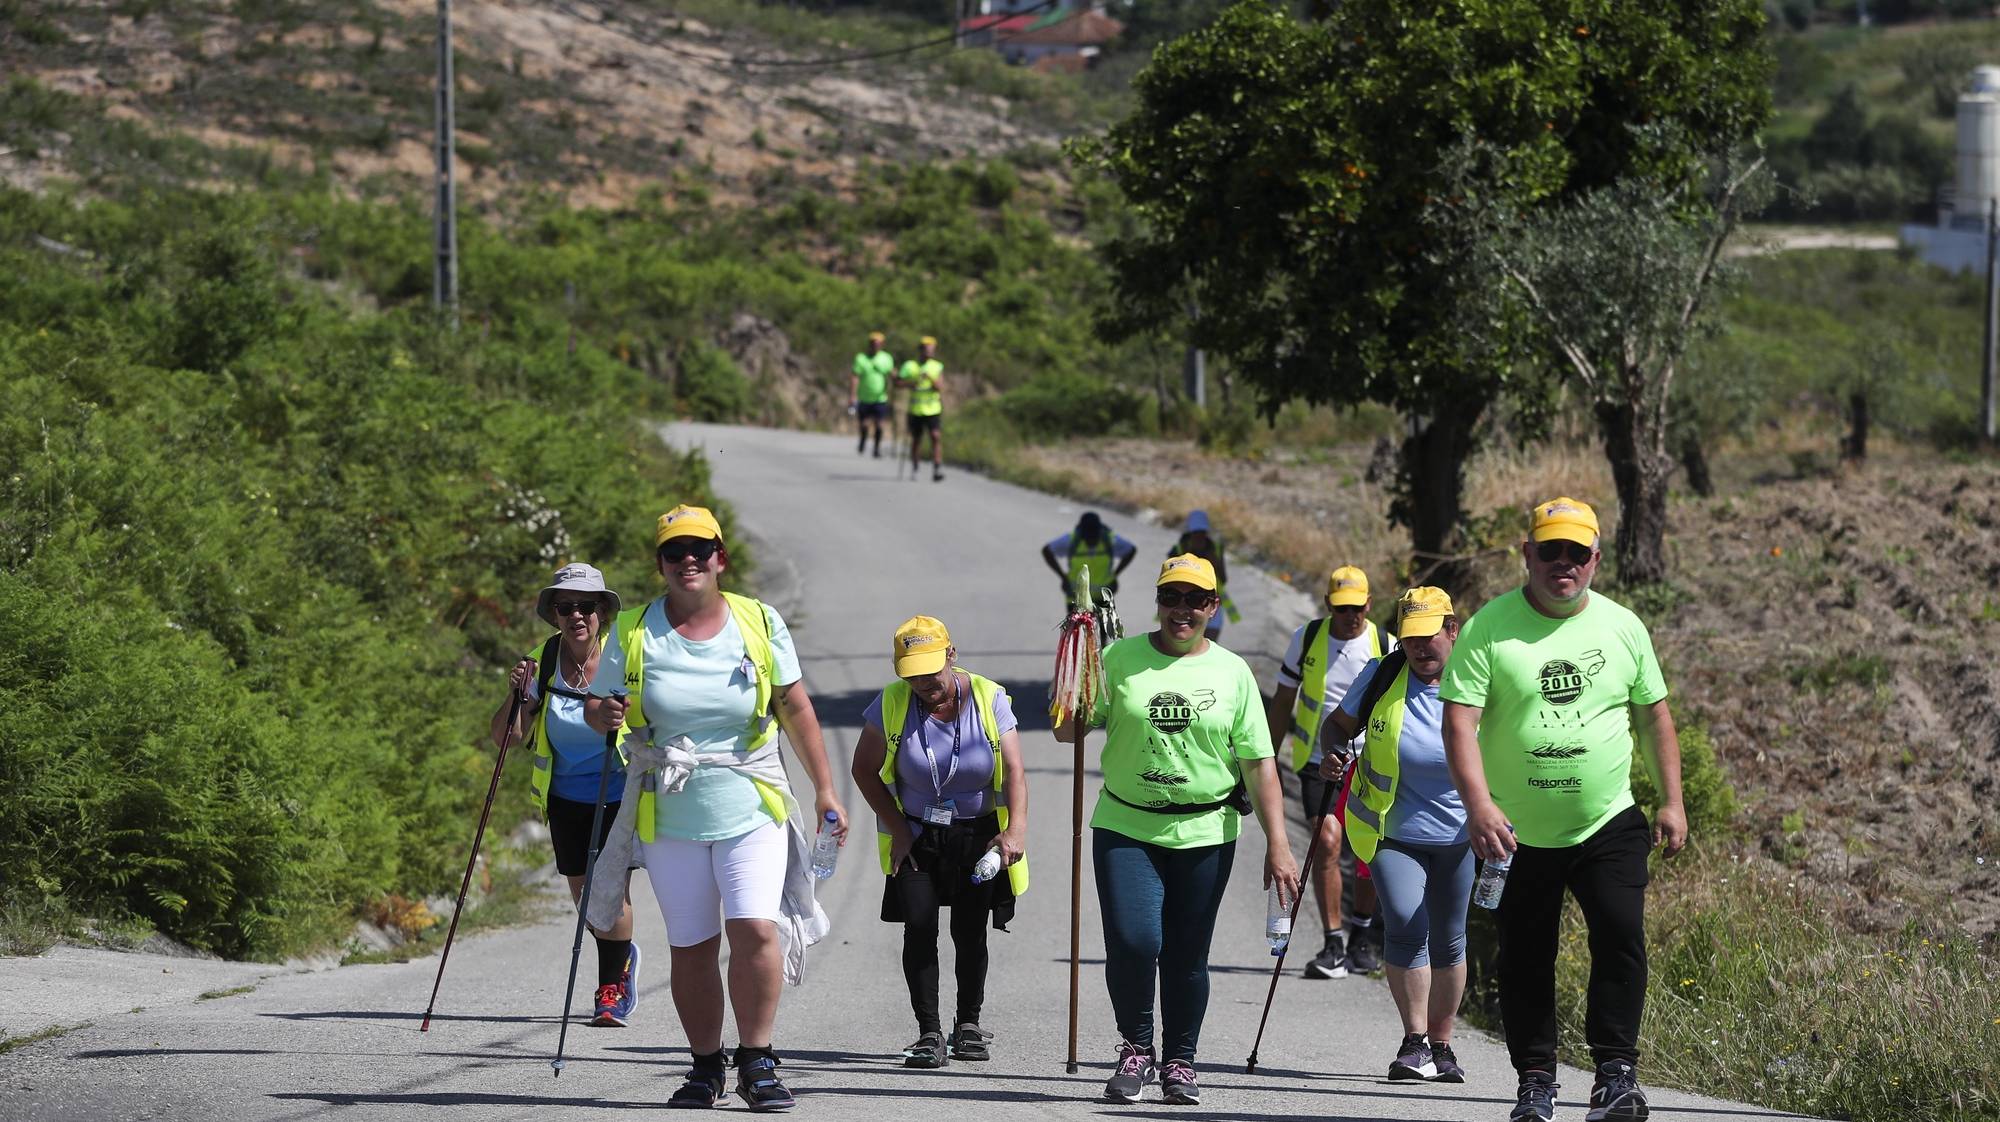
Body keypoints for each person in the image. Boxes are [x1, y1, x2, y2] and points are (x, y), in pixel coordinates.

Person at [585, 504, 851, 1112]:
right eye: (674, 552)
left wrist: (826, 790)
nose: (688, 561)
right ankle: (704, 1066)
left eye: (700, 550)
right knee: (693, 945)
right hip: (670, 809)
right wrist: (605, 714)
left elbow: (795, 706)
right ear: (660, 565)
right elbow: (598, 707)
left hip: (749, 799)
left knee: (756, 927)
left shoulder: (759, 621)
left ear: (720, 558)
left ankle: (757, 1060)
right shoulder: (629, 630)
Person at [1439, 497, 1687, 1122]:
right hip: (1516, 833)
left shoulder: (1623, 626)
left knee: (1621, 933)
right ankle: (1537, 1080)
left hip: (1608, 820)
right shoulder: (1488, 628)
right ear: (1527, 555)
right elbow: (1459, 724)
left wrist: (1673, 800)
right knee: (1526, 956)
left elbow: (1654, 715)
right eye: (1550, 550)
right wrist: (1479, 806)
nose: (1563, 563)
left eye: (1577, 553)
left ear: (1596, 560)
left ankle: (1615, 1074)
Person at [1057, 554, 1300, 1106]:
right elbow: (1068, 734)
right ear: (1158, 602)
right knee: (1134, 941)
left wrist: (1279, 845)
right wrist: (1072, 670)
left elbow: (1261, 764)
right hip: (1126, 823)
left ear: (1213, 607)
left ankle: (1181, 1062)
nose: (1182, 610)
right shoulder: (1119, 658)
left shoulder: (1233, 672)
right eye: (1172, 598)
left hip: (1205, 831)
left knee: (1188, 953)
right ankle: (1136, 1050)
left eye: (1196, 600)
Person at [850, 616, 1030, 1069]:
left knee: (969, 932)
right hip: (916, 834)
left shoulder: (989, 698)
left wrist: (1016, 830)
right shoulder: (891, 703)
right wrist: (897, 827)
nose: (924, 681)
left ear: (951, 655)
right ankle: (928, 1032)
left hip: (976, 833)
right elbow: (863, 769)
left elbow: (1016, 771)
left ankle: (967, 1024)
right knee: (920, 926)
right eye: (912, 672)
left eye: (931, 669)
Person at [1319, 587, 1472, 1084]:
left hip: (1462, 833)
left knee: (1450, 939)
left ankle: (1442, 1044)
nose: (1420, 649)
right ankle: (1414, 1041)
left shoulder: (1480, 680)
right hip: (1390, 828)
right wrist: (1336, 752)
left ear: (1452, 630)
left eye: (1429, 637)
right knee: (1406, 923)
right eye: (1410, 640)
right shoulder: (1383, 675)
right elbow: (1336, 726)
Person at [490, 562, 641, 1027]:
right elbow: (506, 737)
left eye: (585, 607)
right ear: (553, 614)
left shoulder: (623, 655)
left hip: (620, 790)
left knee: (608, 893)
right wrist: (517, 695)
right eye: (565, 607)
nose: (576, 616)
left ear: (602, 611)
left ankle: (610, 990)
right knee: (585, 901)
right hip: (566, 797)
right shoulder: (543, 661)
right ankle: (622, 956)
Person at [1266, 565, 1389, 980]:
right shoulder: (1307, 639)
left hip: (1369, 762)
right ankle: (1332, 939)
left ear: (1369, 605)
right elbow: (1283, 701)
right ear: (1328, 605)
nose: (1350, 616)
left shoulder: (1384, 644)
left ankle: (1361, 937)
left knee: (1366, 851)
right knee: (1328, 841)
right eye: (1341, 608)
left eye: (1357, 607)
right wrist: (1266, 762)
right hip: (1317, 760)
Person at [1040, 512, 1138, 605]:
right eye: (1088, 535)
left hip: (1102, 598)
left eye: (1094, 535)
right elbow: (1047, 551)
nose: (1091, 539)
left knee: (1102, 623)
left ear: (1099, 531)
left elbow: (1131, 550)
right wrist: (1062, 577)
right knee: (1080, 623)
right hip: (1076, 599)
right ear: (1082, 532)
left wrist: (1115, 575)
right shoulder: (1072, 540)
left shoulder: (1109, 540)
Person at [1166, 512, 1235, 639]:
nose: (1199, 536)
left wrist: (1213, 562)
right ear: (1190, 533)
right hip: (1185, 603)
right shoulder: (1179, 549)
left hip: (1211, 601)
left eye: (1202, 532)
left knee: (1210, 644)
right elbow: (1170, 577)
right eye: (1196, 533)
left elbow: (1223, 579)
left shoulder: (1216, 549)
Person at [900, 336, 945, 483]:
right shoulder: (910, 366)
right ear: (920, 350)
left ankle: (937, 467)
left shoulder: (937, 366)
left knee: (935, 436)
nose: (929, 352)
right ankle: (915, 467)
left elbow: (939, 387)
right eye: (926, 349)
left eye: (931, 349)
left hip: (933, 409)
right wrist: (911, 383)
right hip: (916, 409)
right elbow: (899, 383)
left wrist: (930, 378)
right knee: (916, 440)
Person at [851, 331, 895, 459]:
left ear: (882, 345)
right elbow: (855, 377)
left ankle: (876, 448)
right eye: (873, 343)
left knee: (879, 425)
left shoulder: (886, 358)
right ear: (869, 344)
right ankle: (863, 439)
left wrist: (897, 379)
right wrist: (852, 395)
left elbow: (892, 373)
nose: (875, 346)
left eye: (878, 344)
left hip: (880, 398)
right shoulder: (861, 358)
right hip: (864, 398)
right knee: (864, 425)